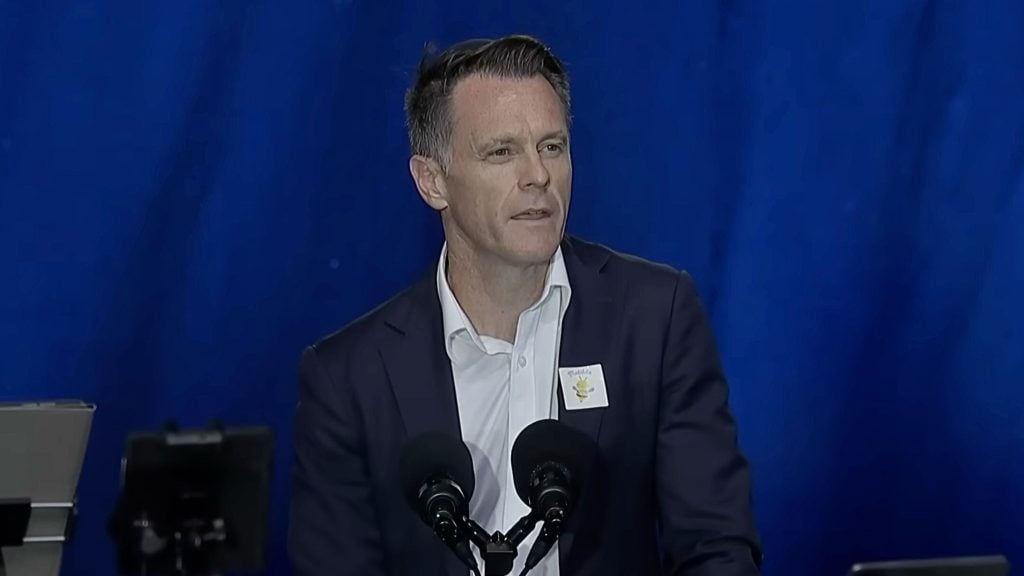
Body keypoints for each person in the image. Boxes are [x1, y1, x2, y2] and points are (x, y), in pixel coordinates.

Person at [289, 34, 763, 576]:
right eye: (502, 151)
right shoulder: (349, 378)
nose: (538, 175)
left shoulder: (654, 318)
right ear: (432, 181)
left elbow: (716, 547)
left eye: (552, 146)